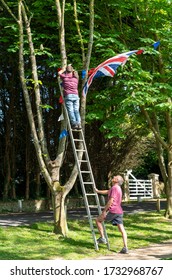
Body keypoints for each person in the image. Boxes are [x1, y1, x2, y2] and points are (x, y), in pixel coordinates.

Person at [95, 175, 128, 254]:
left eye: (115, 177)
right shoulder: (117, 188)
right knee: (122, 229)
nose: (113, 177)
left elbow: (111, 201)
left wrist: (104, 211)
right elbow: (107, 191)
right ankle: (125, 247)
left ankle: (102, 238)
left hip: (113, 210)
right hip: (119, 211)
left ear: (116, 180)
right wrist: (97, 191)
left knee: (98, 220)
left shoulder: (114, 188)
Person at [58, 64, 81, 130]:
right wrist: (73, 70)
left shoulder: (65, 77)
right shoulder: (76, 78)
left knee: (71, 110)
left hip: (69, 95)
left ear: (66, 71)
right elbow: (75, 73)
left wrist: (63, 69)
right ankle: (79, 123)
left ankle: (74, 123)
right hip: (76, 96)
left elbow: (59, 73)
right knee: (76, 110)